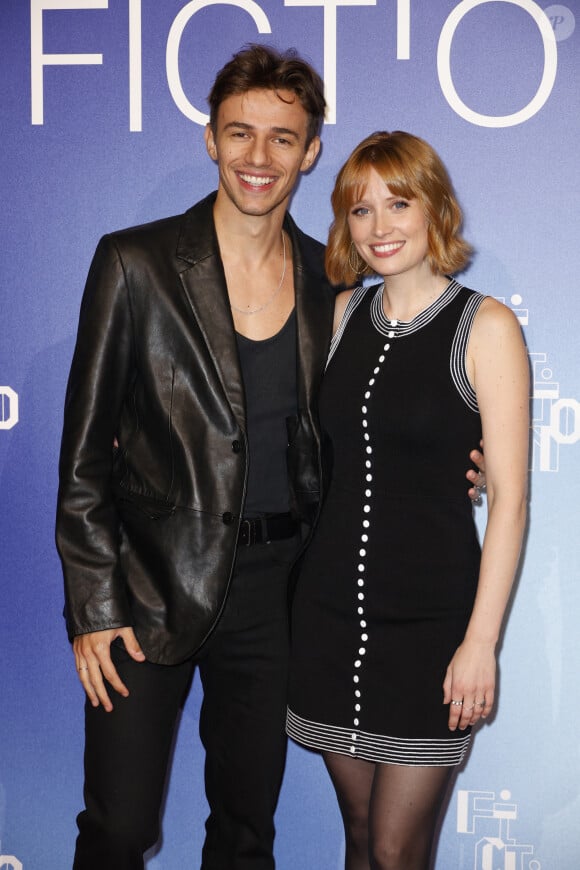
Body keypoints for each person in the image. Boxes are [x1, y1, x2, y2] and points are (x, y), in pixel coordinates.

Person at [56, 45, 485, 867]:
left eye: (283, 138)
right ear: (210, 140)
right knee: (119, 827)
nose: (260, 158)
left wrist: (480, 467)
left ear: (311, 149)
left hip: (282, 594)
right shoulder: (134, 262)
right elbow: (83, 460)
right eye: (240, 134)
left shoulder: (335, 286)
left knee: (247, 832)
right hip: (147, 587)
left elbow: (387, 420)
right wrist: (94, 606)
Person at [286, 131, 529, 870]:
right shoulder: (337, 318)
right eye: (361, 211)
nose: (380, 227)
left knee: (397, 851)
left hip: (431, 634)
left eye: (399, 203)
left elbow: (511, 502)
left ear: (435, 210)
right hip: (327, 622)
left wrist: (480, 642)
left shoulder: (486, 326)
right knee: (360, 839)